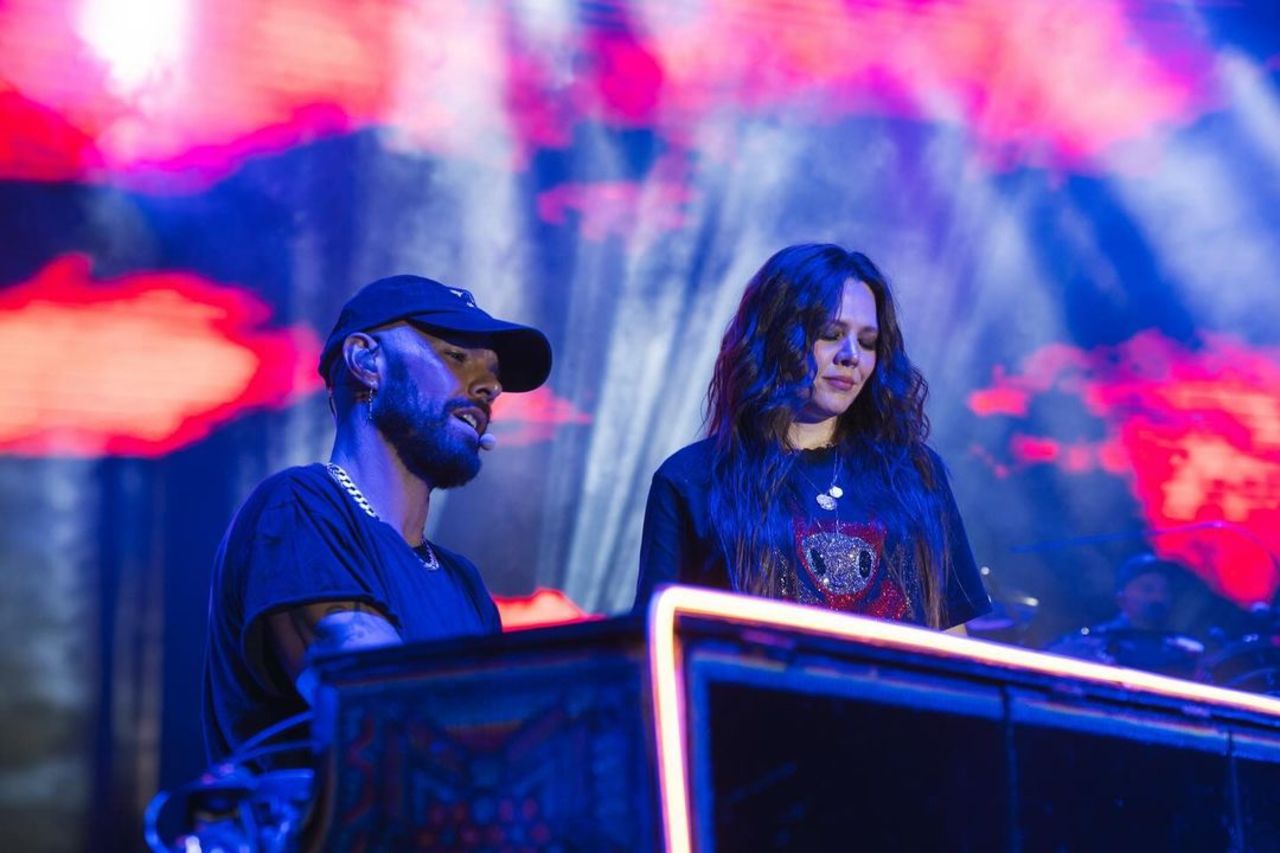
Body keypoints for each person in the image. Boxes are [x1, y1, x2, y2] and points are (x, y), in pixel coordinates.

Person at [202, 274, 552, 764]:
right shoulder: (298, 507)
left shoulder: (463, 583)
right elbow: (376, 698)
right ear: (367, 361)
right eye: (455, 356)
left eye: (493, 375)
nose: (489, 387)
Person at [634, 243, 990, 630]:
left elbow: (952, 633)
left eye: (868, 342)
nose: (851, 355)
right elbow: (660, 641)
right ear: (776, 338)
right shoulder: (692, 480)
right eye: (830, 334)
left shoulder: (915, 474)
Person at [1047, 553, 1201, 676]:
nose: (1158, 598)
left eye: (1165, 591)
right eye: (1147, 589)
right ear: (1121, 597)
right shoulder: (1089, 644)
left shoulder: (1185, 653)